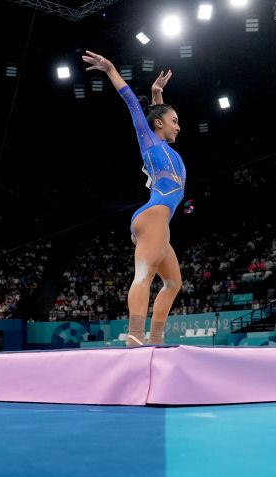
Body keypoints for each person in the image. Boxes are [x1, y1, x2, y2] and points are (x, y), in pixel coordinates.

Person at [84, 50, 185, 346]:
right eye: (174, 121)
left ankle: (154, 338)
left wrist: (157, 94)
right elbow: (132, 103)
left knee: (172, 282)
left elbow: (158, 116)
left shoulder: (167, 148)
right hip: (153, 215)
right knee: (144, 274)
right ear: (158, 126)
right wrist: (111, 68)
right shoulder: (149, 141)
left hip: (159, 222)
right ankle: (134, 337)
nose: (178, 126)